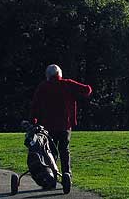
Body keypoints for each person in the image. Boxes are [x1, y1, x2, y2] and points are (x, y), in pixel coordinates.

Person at [30, 64, 92, 194]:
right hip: (65, 125)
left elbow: (34, 106)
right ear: (60, 74)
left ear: (47, 75)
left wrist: (33, 121)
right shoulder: (67, 84)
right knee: (64, 150)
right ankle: (66, 174)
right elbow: (87, 90)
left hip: (47, 127)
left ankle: (51, 177)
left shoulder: (42, 87)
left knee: (49, 152)